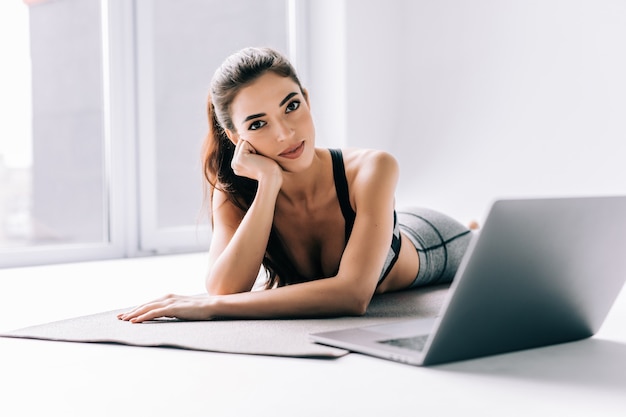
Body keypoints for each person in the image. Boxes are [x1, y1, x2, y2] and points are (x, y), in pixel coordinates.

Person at [118, 47, 475, 323]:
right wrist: (268, 186)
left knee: (483, 247)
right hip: (378, 222)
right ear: (235, 137)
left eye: (291, 105)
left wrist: (212, 308)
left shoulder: (373, 168)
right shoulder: (233, 191)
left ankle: (476, 228)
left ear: (307, 98)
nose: (286, 133)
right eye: (258, 124)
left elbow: (353, 295)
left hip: (434, 241)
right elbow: (226, 288)